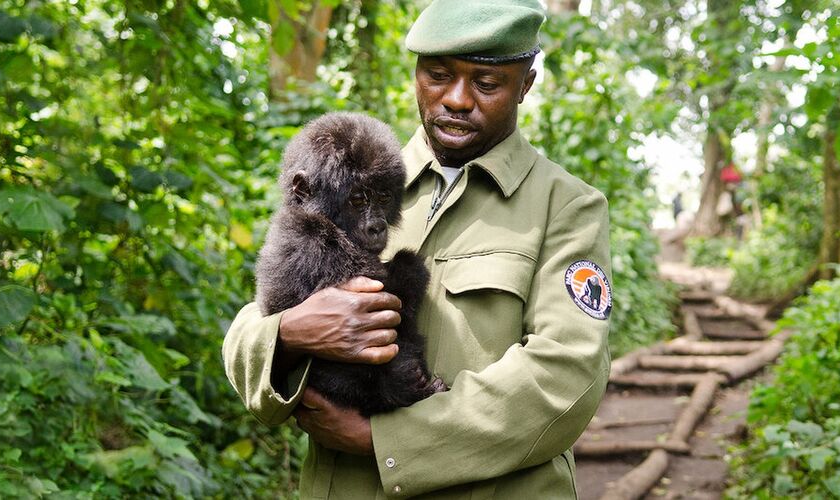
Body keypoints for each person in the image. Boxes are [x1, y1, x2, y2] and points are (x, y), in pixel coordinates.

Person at [222, 0, 613, 497]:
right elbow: (256, 316)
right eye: (437, 75)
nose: (456, 99)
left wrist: (388, 440)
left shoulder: (566, 207)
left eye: (487, 83)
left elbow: (566, 377)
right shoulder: (355, 168)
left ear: (525, 85)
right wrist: (291, 333)